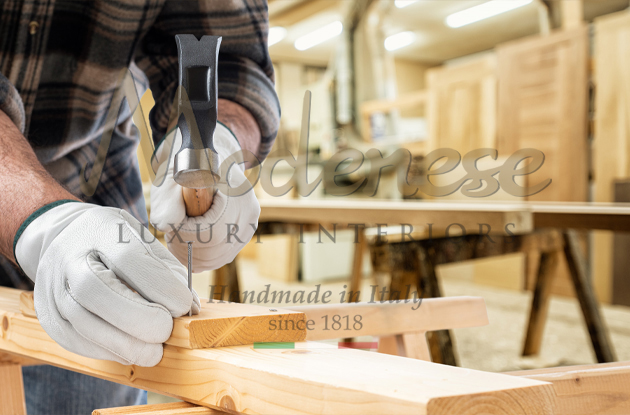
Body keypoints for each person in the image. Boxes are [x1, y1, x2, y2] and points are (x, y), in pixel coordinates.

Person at [0, 1, 280, 413]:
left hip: (93, 198)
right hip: (41, 203)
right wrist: (41, 220)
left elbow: (232, 60)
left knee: (109, 359)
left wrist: (219, 138)